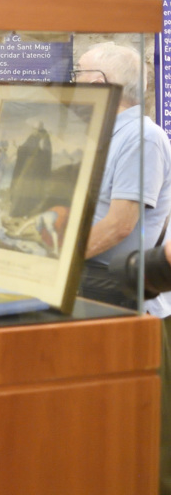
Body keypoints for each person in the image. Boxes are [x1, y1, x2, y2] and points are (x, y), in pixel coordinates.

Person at [74, 44, 171, 311]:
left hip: (110, 287)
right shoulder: (104, 135)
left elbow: (119, 225)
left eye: (77, 73)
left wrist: (56, 261)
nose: (73, 83)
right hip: (88, 278)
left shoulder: (142, 137)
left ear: (97, 84)